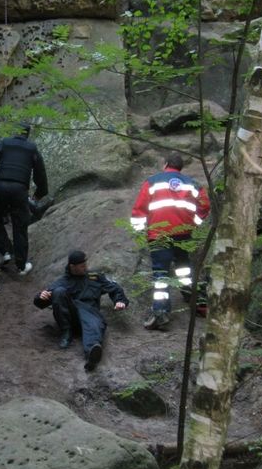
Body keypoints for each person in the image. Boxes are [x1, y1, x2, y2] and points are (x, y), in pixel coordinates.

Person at [130, 152, 211, 330]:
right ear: (180, 167)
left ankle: (160, 313)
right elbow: (205, 204)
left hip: (159, 234)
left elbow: (140, 208)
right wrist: (194, 222)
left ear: (165, 164)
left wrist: (139, 231)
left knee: (161, 274)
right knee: (184, 268)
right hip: (183, 233)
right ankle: (197, 302)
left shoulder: (152, 182)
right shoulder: (192, 183)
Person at [33, 250, 129, 371]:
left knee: (94, 322)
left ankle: (92, 353)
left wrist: (120, 301)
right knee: (59, 291)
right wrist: (41, 296)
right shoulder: (63, 281)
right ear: (72, 267)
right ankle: (66, 333)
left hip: (91, 316)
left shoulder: (95, 277)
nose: (85, 267)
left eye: (85, 264)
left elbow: (114, 288)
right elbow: (42, 299)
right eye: (82, 266)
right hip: (72, 319)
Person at [0, 122, 48, 276]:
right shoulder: (32, 148)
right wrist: (40, 193)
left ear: (15, 132)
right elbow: (40, 173)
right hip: (19, 190)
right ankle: (21, 265)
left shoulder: (3, 143)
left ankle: (5, 250)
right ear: (28, 134)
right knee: (20, 227)